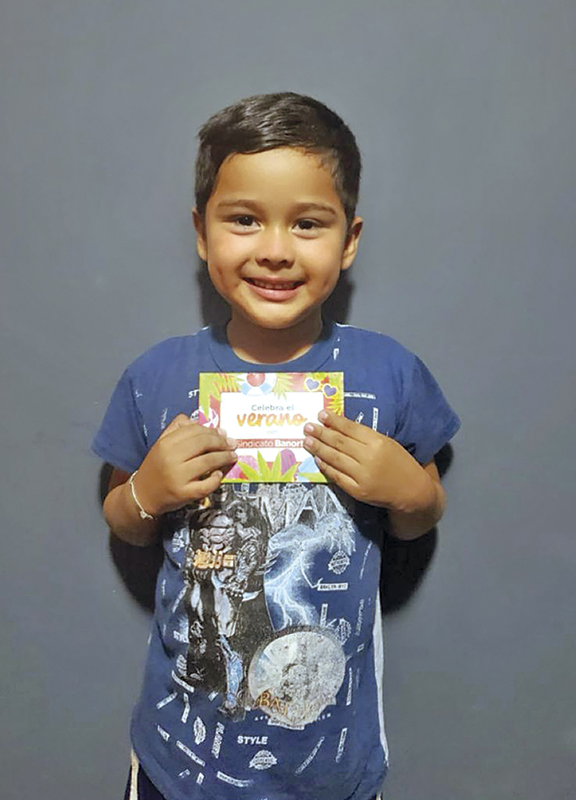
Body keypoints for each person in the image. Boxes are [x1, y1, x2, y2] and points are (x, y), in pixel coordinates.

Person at [93, 92, 460, 800]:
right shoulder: (156, 375)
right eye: (243, 219)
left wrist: (409, 490)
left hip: (330, 761)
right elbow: (122, 521)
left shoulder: (389, 372)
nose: (274, 250)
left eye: (307, 223)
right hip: (181, 762)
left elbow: (422, 515)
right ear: (201, 233)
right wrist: (146, 491)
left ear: (348, 240)